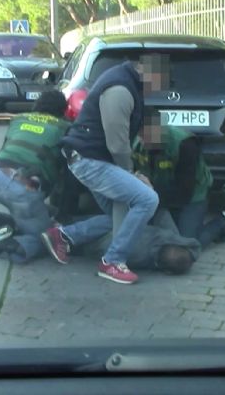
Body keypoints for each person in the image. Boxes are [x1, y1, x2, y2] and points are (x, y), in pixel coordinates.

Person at [42, 55, 161, 284]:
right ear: (147, 73)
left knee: (119, 216)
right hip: (90, 161)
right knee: (147, 199)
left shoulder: (127, 82)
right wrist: (131, 175)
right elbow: (117, 144)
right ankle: (113, 261)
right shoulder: (121, 89)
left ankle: (64, 235)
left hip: (88, 158)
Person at [0, 89, 70, 263]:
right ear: (63, 110)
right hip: (26, 192)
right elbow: (66, 176)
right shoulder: (64, 128)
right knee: (49, 237)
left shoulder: (18, 120)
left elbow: (5, 153)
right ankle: (14, 245)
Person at [132, 122, 225, 243]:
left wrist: (151, 191)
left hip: (193, 194)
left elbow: (184, 192)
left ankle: (224, 220)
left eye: (146, 137)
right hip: (159, 193)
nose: (143, 141)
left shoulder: (184, 143)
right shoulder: (137, 143)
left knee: (186, 243)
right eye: (141, 136)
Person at [83, 209, 225, 275]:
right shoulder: (137, 256)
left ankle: (224, 220)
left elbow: (163, 213)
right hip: (111, 230)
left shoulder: (168, 237)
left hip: (111, 229)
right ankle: (224, 220)